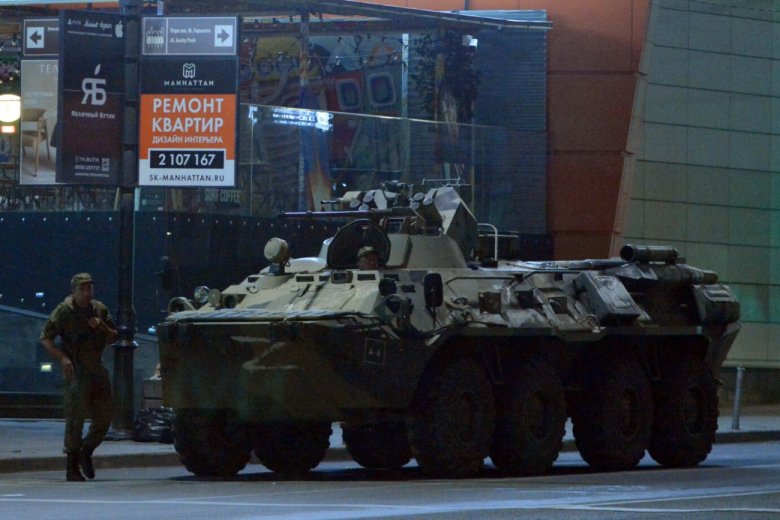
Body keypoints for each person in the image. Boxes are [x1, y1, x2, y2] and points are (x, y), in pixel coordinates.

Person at [40, 273, 118, 482]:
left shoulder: (99, 309)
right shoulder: (64, 311)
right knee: (75, 419)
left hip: (97, 368)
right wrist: (63, 358)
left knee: (104, 417)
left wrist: (101, 326)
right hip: (77, 370)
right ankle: (72, 464)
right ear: (73, 291)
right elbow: (46, 338)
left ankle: (86, 450)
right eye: (82, 289)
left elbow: (113, 337)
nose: (86, 293)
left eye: (89, 288)